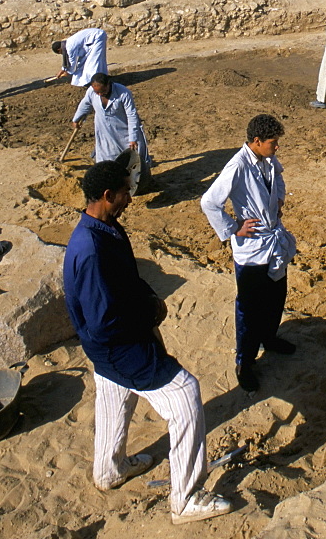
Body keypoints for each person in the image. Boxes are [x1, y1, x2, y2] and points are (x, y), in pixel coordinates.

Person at [63, 158, 232, 524]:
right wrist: (148, 317)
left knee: (113, 393)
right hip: (120, 346)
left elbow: (126, 278)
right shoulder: (90, 250)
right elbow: (105, 320)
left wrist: (149, 298)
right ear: (107, 195)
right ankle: (185, 499)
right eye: (125, 191)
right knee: (186, 392)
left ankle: (109, 471)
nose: (130, 197)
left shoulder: (104, 228)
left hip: (107, 351)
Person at [201, 114, 296, 393]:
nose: (276, 147)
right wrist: (233, 228)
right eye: (273, 142)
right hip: (252, 249)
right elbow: (209, 202)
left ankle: (271, 337)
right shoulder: (237, 166)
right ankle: (245, 362)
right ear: (257, 141)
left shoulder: (266, 160)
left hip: (272, 241)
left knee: (277, 295)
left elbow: (278, 177)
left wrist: (279, 199)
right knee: (249, 308)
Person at [71, 73, 151, 183]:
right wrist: (77, 118)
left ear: (109, 84)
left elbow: (132, 116)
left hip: (124, 132)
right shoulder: (91, 92)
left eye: (102, 91)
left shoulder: (123, 93)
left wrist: (133, 137)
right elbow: (85, 104)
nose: (99, 94)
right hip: (104, 132)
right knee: (107, 159)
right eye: (97, 92)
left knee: (130, 160)